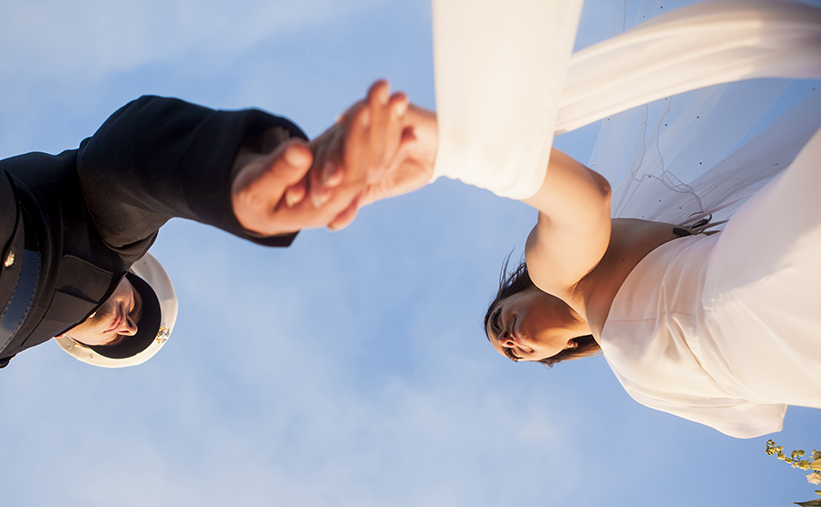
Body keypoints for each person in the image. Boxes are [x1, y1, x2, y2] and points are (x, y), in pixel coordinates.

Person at [0, 0, 411, 424]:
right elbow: (128, 164)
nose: (129, 323)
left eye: (125, 338)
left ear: (81, 347)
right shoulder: (110, 242)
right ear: (133, 274)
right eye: (138, 306)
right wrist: (225, 175)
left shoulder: (3, 354)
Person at [308, 0, 821, 438]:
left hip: (755, 285)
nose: (509, 341)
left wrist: (459, 149)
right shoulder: (627, 363)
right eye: (514, 354)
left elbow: (586, 201)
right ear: (558, 353)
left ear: (524, 285)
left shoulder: (561, 273)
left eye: (500, 321)